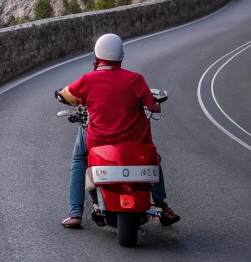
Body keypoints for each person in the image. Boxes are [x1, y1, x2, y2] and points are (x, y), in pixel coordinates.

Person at [55, 33, 180, 229]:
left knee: (79, 158)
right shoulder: (136, 79)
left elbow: (65, 95)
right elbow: (152, 105)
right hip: (135, 141)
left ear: (97, 56)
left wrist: (70, 97)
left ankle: (75, 212)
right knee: (153, 157)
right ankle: (162, 206)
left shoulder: (88, 80)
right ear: (121, 56)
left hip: (99, 140)